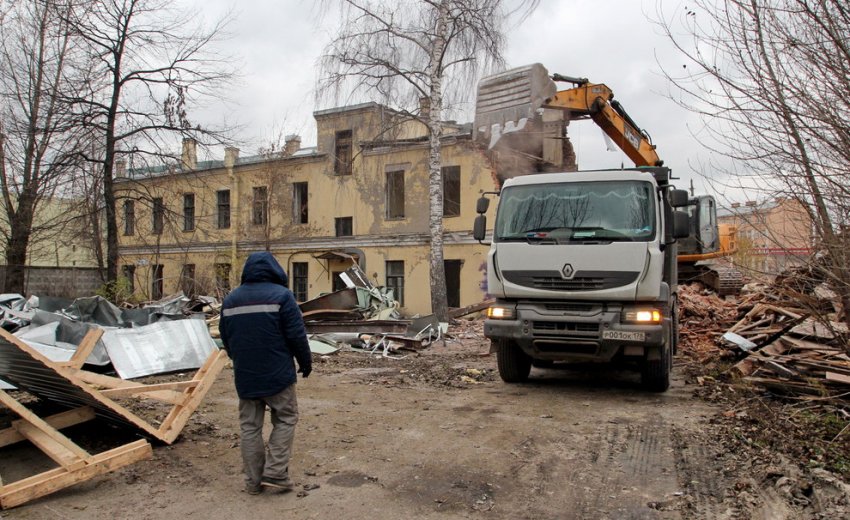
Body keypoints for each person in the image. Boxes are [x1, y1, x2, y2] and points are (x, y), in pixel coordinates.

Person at [219, 251, 312, 495]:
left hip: (246, 375)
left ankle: (252, 482)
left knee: (250, 427)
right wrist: (305, 362)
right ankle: (275, 473)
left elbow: (226, 340)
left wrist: (240, 360)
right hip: (278, 374)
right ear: (274, 270)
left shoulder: (230, 301)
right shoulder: (282, 296)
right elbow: (296, 335)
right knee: (285, 418)